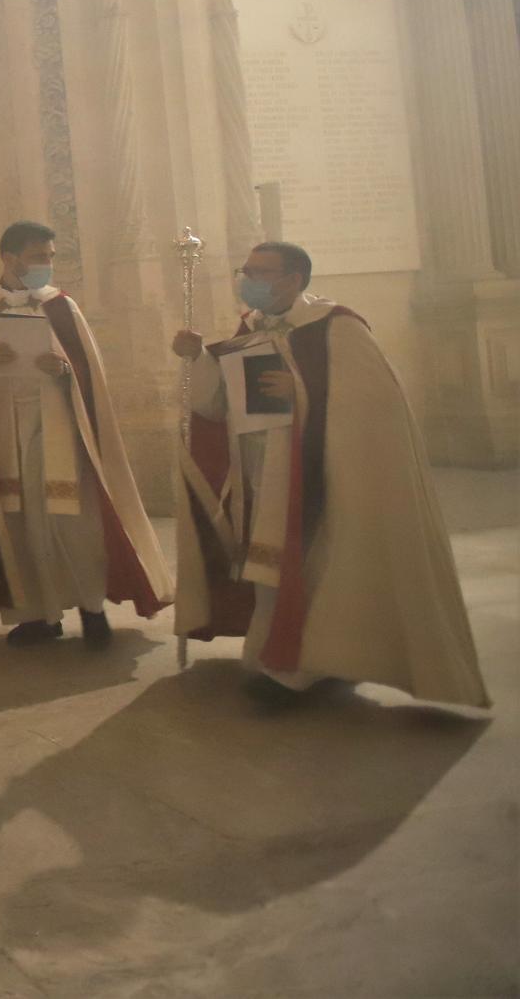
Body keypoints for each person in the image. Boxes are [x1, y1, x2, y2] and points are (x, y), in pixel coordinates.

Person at [172, 241, 489, 708]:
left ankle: (298, 668)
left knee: (316, 566)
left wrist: (299, 390)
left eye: (260, 271)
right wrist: (197, 358)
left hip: (322, 475)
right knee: (267, 567)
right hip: (260, 469)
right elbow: (215, 406)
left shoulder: (337, 326)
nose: (248, 280)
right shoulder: (250, 326)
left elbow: (375, 405)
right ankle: (272, 656)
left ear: (294, 279)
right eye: (247, 270)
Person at [0, 222, 171, 647]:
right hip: (4, 438)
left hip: (60, 431)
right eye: (39, 256)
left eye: (50, 256)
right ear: (10, 259)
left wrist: (65, 372)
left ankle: (92, 610)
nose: (47, 265)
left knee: (73, 524)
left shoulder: (62, 308)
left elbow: (90, 375)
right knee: (20, 526)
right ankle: (38, 616)